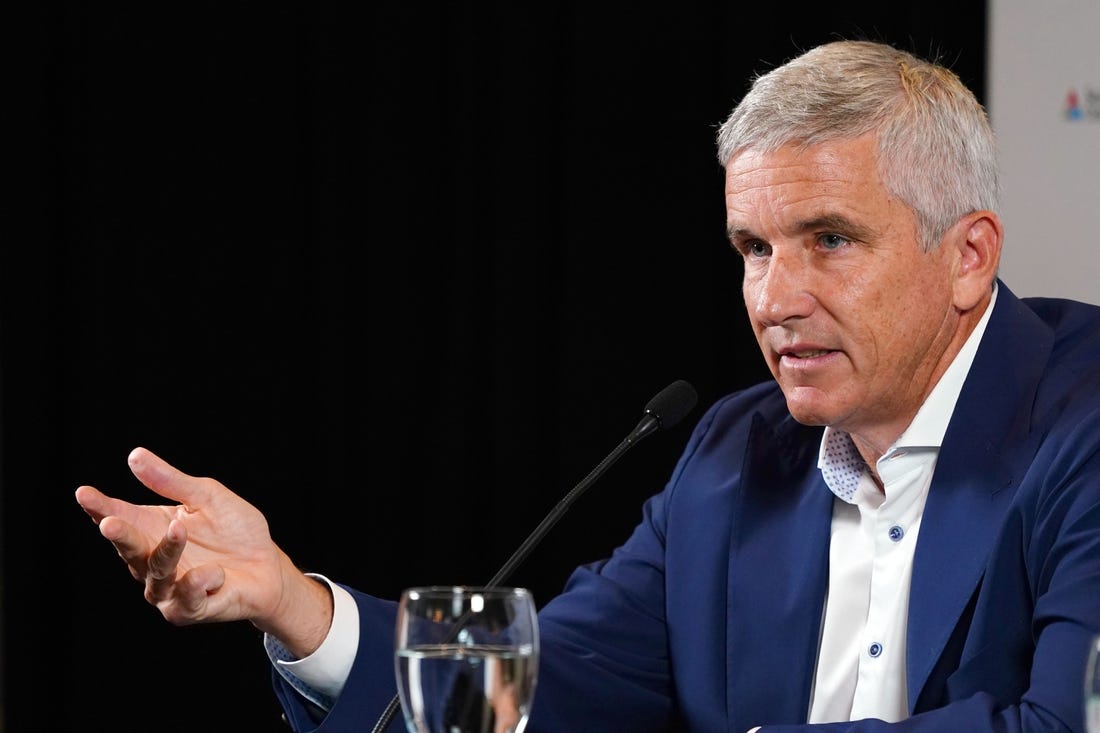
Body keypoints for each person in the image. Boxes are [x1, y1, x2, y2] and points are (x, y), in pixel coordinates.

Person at [75, 38, 1100, 732]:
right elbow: (541, 679)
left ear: (965, 257)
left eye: (828, 239)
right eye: (751, 247)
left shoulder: (1079, 418)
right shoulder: (732, 456)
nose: (774, 297)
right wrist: (295, 605)